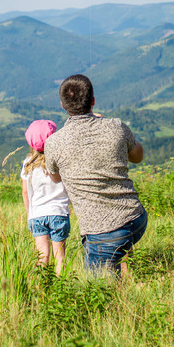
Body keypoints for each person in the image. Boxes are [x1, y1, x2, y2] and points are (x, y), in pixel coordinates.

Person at [44, 74, 147, 276]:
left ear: (63, 105)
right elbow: (138, 156)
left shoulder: (54, 143)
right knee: (120, 249)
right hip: (136, 218)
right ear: (92, 101)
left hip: (101, 233)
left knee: (98, 295)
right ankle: (129, 281)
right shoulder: (116, 126)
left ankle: (124, 298)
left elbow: (56, 178)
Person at [21, 118, 70, 275]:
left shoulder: (28, 163)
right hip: (58, 212)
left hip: (37, 215)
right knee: (60, 256)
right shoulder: (60, 161)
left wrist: (30, 214)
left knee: (42, 256)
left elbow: (25, 192)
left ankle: (41, 287)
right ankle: (60, 288)